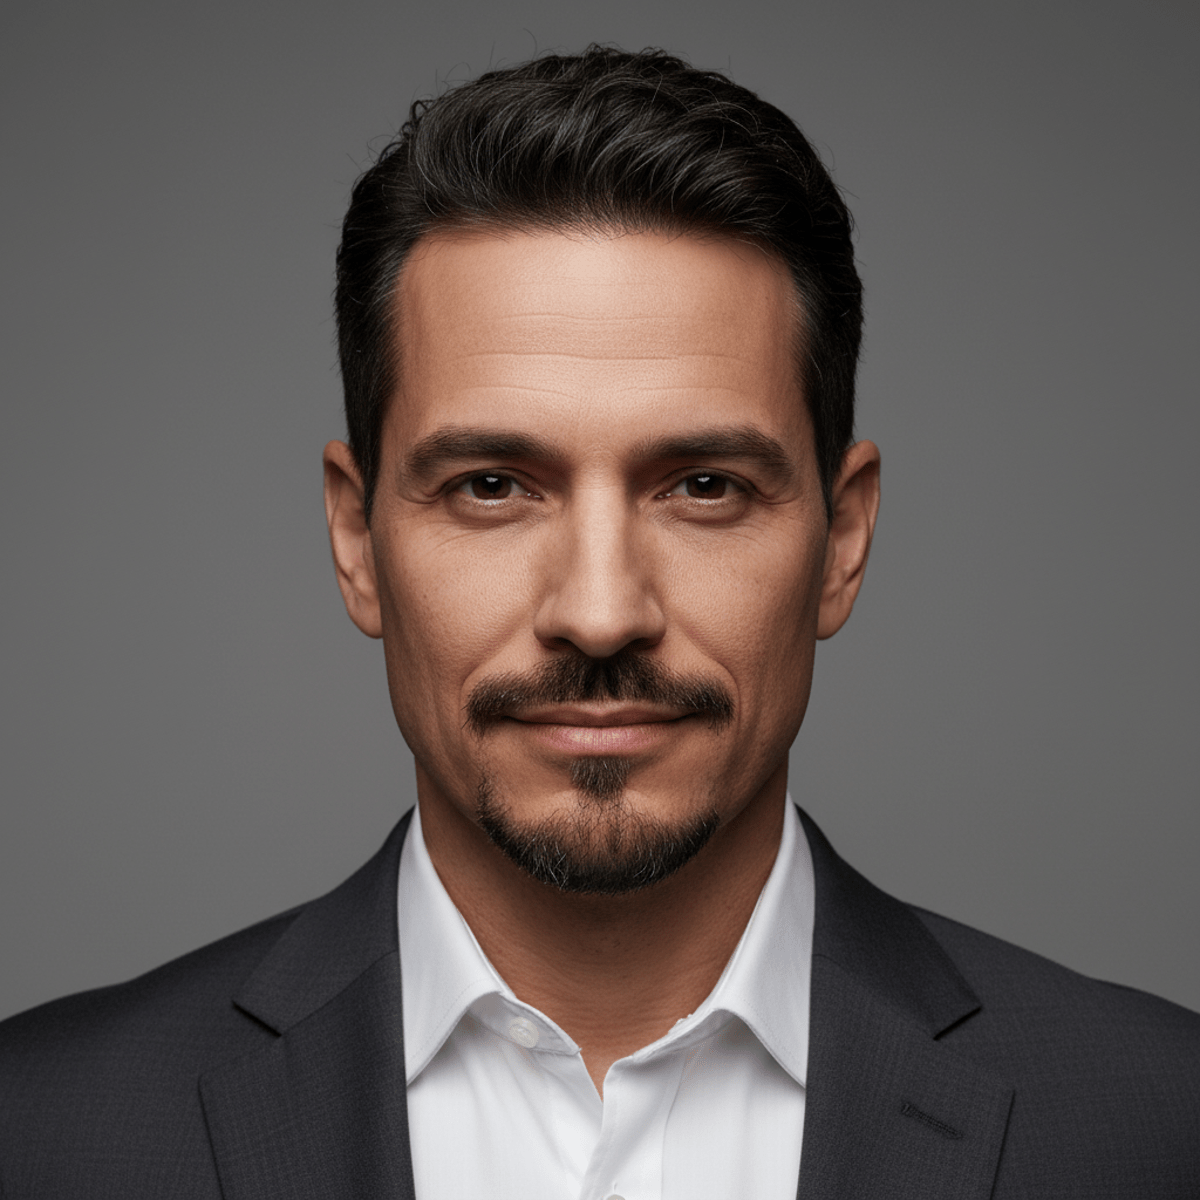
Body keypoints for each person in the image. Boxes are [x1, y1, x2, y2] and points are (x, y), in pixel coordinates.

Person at [1, 45, 1197, 1200]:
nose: (600, 613)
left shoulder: (1159, 1126)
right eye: (491, 486)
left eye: (704, 486)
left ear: (842, 541)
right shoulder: (43, 1135)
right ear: (357, 541)